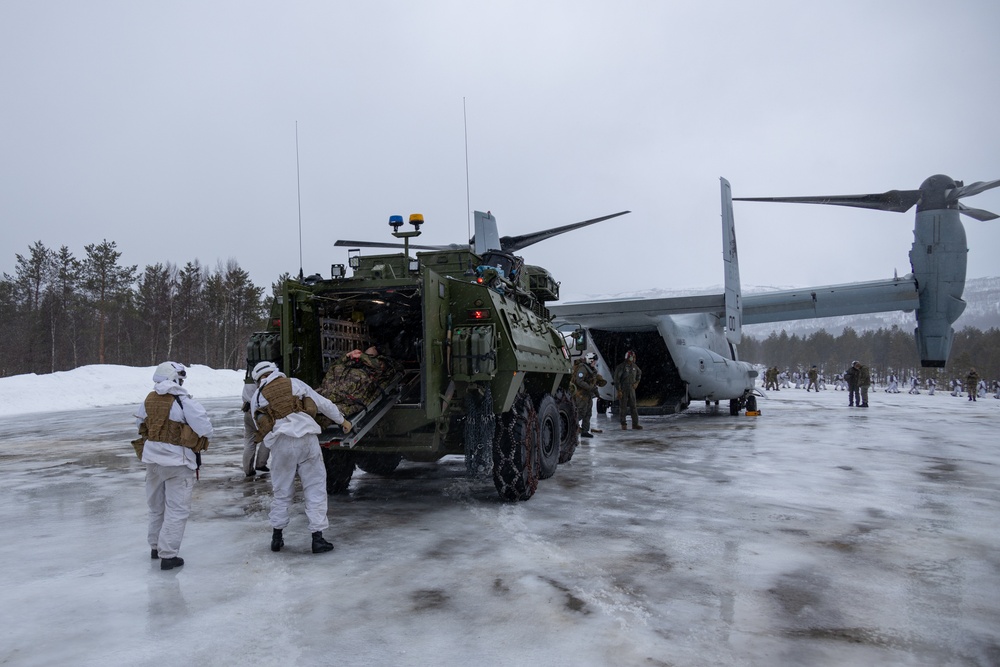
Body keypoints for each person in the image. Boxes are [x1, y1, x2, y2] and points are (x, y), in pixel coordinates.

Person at [250, 361, 351, 554]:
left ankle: (277, 537)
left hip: (281, 444)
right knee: (315, 488)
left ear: (258, 379)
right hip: (307, 440)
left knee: (281, 491)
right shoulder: (294, 383)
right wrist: (342, 420)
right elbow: (322, 403)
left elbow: (260, 426)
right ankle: (318, 539)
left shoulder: (257, 397)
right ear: (275, 372)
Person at [134, 361, 213, 571]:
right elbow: (205, 428)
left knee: (156, 507)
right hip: (178, 463)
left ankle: (155, 547)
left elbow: (140, 425)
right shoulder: (183, 401)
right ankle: (168, 555)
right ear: (174, 378)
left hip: (152, 462)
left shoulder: (149, 399)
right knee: (177, 510)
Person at [572, 352, 607, 438]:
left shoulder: (591, 370)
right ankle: (571, 428)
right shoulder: (582, 368)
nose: (594, 363)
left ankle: (585, 431)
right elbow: (579, 381)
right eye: (594, 361)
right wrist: (589, 388)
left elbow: (593, 385)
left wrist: (598, 395)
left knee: (588, 413)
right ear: (590, 360)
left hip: (587, 396)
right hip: (581, 395)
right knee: (580, 413)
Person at [242, 379, 270, 477]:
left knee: (249, 441)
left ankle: (248, 469)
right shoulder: (262, 380)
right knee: (268, 436)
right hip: (259, 412)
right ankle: (261, 463)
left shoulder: (248, 379)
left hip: (247, 411)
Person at [612, 350, 642, 430]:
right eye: (633, 357)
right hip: (623, 388)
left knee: (634, 407)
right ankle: (623, 423)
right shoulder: (621, 367)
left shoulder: (634, 367)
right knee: (623, 407)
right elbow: (616, 379)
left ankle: (635, 424)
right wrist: (619, 390)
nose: (634, 358)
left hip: (632, 388)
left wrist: (636, 383)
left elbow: (639, 373)